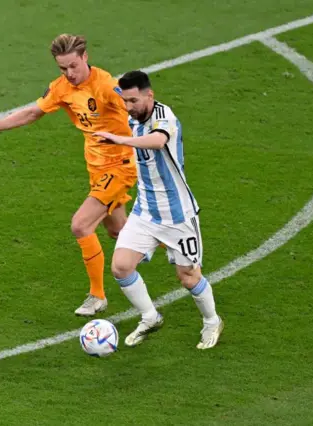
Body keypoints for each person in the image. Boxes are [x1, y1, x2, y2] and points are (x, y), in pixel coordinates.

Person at [0, 34, 137, 316]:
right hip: (96, 167)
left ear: (85, 57)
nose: (69, 74)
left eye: (72, 66)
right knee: (117, 231)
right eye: (62, 68)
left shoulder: (106, 86)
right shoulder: (61, 88)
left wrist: (153, 142)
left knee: (81, 225)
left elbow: (138, 112)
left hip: (120, 166)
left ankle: (97, 296)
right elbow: (33, 113)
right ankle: (165, 241)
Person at [94, 70, 224, 349]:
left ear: (149, 95)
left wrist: (121, 140)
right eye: (125, 101)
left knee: (188, 276)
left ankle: (212, 322)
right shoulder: (131, 111)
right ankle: (150, 316)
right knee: (120, 266)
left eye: (133, 101)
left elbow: (158, 141)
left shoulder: (165, 117)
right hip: (145, 211)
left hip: (177, 215)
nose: (129, 107)